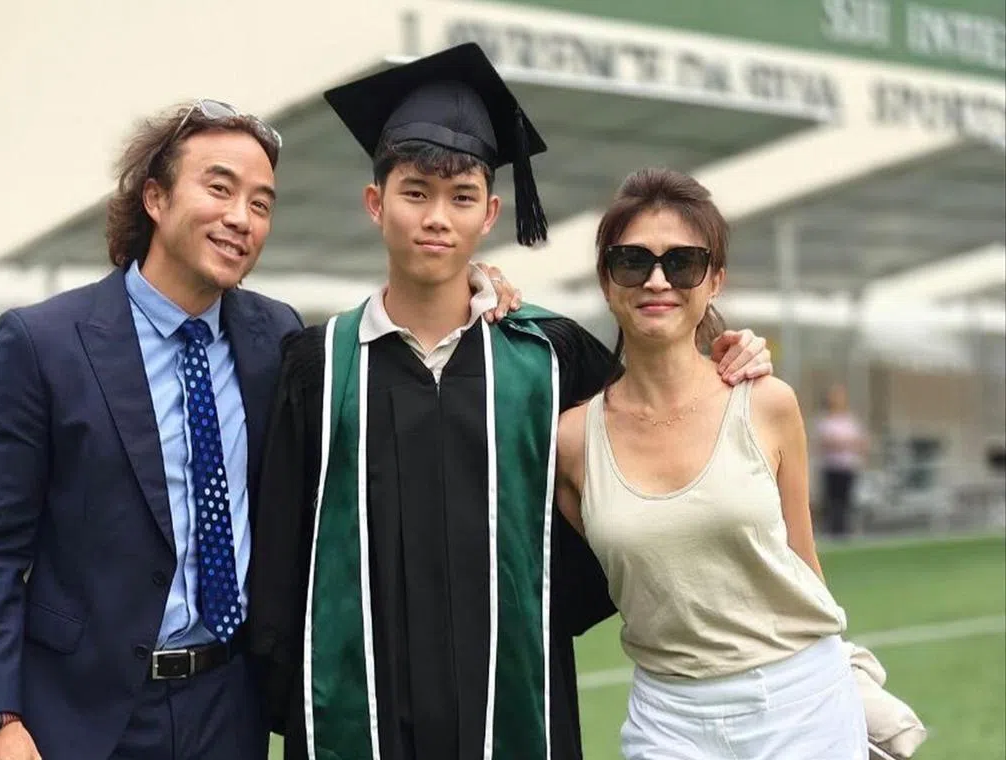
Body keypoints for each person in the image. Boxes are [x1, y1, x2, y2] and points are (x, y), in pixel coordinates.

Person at [247, 44, 774, 760]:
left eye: (461, 196)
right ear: (376, 203)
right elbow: (281, 555)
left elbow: (655, 407)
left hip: (514, 703)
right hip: (360, 716)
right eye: (414, 193)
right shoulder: (319, 365)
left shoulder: (545, 358)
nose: (438, 217)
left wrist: (729, 357)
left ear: (490, 213)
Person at [0, 100, 300, 760]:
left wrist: (475, 287)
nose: (241, 218)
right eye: (219, 188)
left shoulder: (276, 338)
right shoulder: (43, 344)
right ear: (155, 197)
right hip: (84, 713)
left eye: (261, 203)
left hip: (231, 706)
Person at [554, 168, 868, 760]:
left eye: (682, 264)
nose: (656, 281)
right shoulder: (571, 441)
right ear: (606, 280)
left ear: (714, 280)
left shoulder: (768, 404)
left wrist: (843, 683)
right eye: (631, 261)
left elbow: (804, 561)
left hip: (801, 704)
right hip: (667, 719)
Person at [817, 382, 868, 537]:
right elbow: (827, 442)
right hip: (832, 467)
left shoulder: (850, 421)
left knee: (846, 502)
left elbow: (861, 442)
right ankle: (832, 532)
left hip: (847, 467)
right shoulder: (825, 421)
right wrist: (844, 443)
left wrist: (844, 443)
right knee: (832, 502)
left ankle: (845, 532)